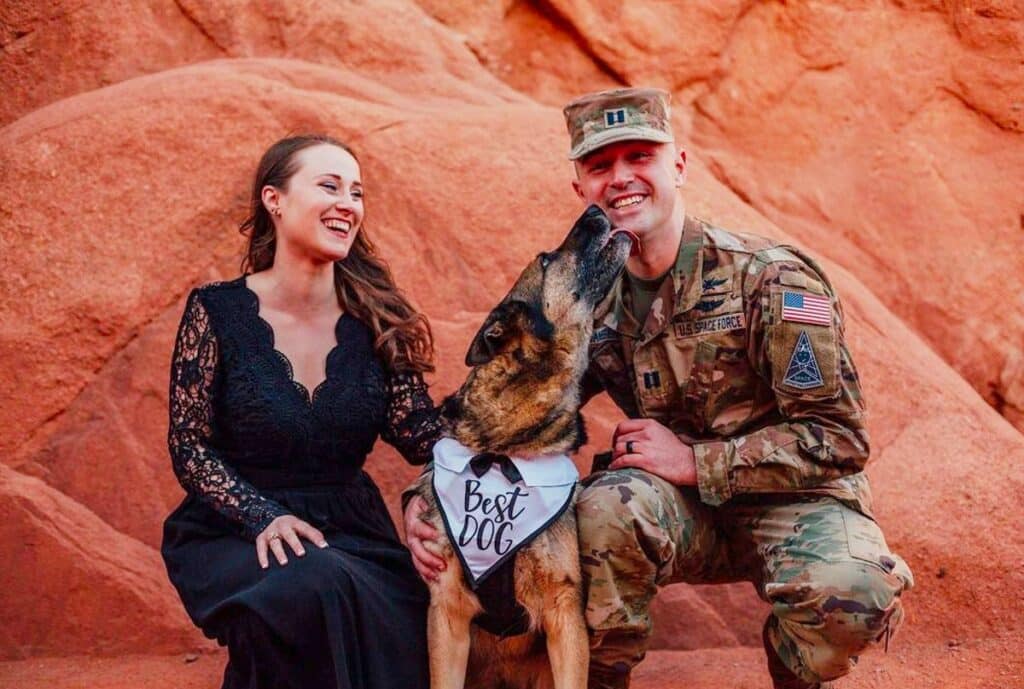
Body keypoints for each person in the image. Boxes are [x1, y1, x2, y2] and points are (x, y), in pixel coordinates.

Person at [403, 88, 914, 689]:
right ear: (581, 190)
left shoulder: (771, 279)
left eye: (640, 157)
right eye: (600, 166)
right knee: (597, 511)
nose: (621, 179)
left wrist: (694, 461)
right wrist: (425, 497)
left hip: (795, 502)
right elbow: (507, 404)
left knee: (852, 593)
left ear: (679, 165)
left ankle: (794, 668)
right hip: (676, 512)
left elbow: (839, 437)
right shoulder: (590, 304)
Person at [162, 134, 442, 689]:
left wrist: (518, 400)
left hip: (352, 528)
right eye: (330, 186)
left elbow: (423, 434)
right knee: (309, 586)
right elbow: (190, 444)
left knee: (396, 611)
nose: (349, 204)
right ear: (275, 199)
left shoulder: (376, 318)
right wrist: (262, 514)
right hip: (238, 526)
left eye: (357, 193)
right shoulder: (216, 310)